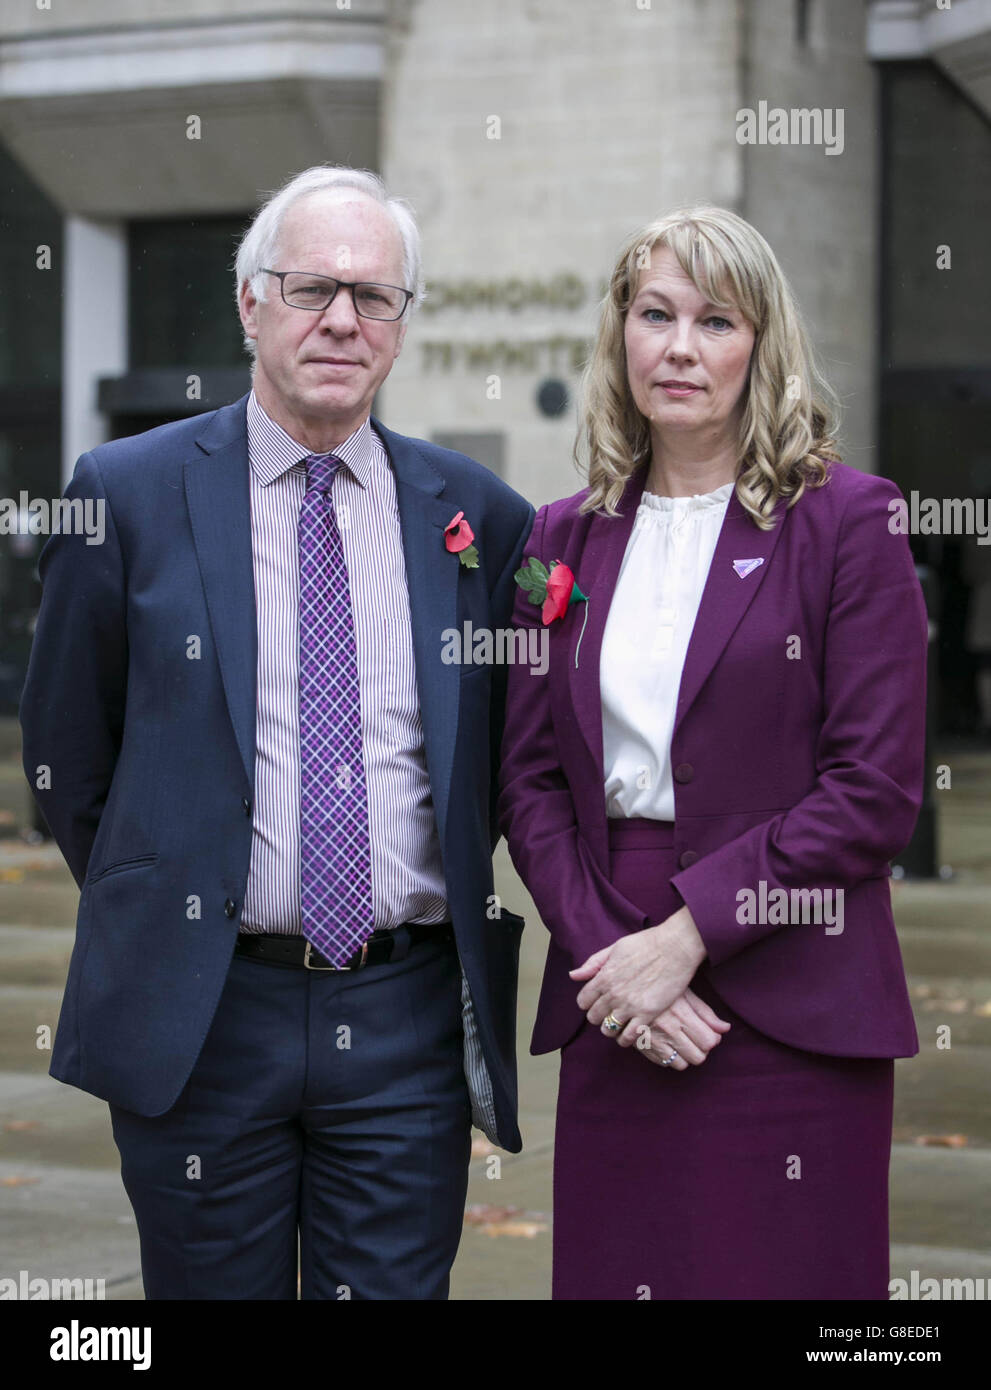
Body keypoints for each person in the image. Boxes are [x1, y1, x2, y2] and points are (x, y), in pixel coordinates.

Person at [19, 164, 535, 1300]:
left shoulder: (477, 518)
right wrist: (175, 893)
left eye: (375, 295)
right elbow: (68, 758)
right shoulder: (125, 493)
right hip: (205, 1016)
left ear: (401, 325)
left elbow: (501, 756)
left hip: (401, 1016)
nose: (343, 319)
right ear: (251, 303)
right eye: (311, 289)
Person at [497, 205, 927, 1300]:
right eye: (655, 314)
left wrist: (685, 939)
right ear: (620, 335)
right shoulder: (560, 537)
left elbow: (872, 793)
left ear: (760, 345)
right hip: (613, 986)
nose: (680, 347)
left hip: (787, 977)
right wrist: (614, 960)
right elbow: (529, 778)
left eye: (715, 320)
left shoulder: (848, 523)